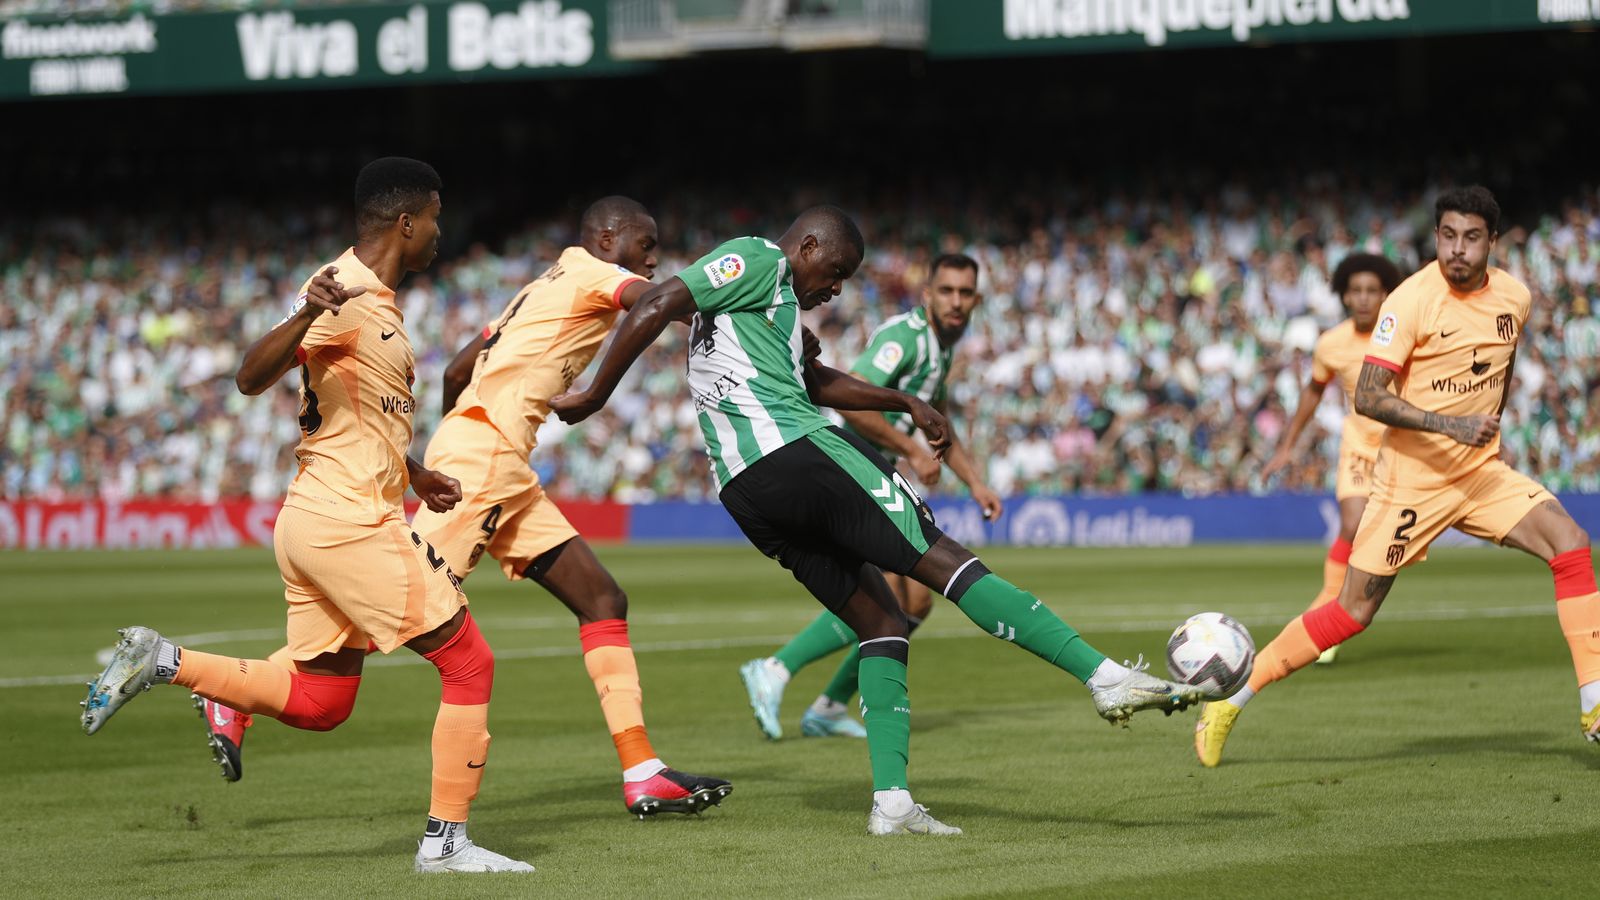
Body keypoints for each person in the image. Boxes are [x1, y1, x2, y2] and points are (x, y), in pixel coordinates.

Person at [551, 206, 1199, 836]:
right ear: (806, 247)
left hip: (747, 492)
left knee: (883, 620)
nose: (836, 288)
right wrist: (594, 395)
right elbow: (657, 301)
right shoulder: (759, 258)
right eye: (835, 271)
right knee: (944, 559)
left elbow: (814, 380)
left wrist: (904, 401)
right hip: (797, 452)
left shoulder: (767, 310)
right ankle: (1104, 677)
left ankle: (892, 803)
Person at [195, 197, 732, 817]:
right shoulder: (593, 273)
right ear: (609, 238)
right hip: (486, 460)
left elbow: (456, 371)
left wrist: (455, 441)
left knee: (603, 600)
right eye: (646, 244)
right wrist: (737, 305)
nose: (653, 258)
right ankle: (238, 694)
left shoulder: (542, 284)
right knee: (410, 606)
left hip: (499, 462)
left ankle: (642, 771)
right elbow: (660, 300)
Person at [80, 158, 533, 873]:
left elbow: (352, 413)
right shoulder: (342, 292)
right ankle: (446, 844)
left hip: (316, 519)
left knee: (323, 701)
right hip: (348, 521)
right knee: (469, 661)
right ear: (406, 223)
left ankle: (163, 660)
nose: (439, 233)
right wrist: (306, 313)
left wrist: (415, 472)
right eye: (435, 219)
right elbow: (249, 376)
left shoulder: (373, 299)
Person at [1195, 185, 1600, 767]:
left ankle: (1593, 701)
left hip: (1480, 474)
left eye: (1471, 238)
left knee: (1571, 542)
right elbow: (1368, 395)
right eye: (1448, 235)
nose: (1457, 249)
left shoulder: (1515, 297)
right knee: (1350, 613)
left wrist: (1490, 429)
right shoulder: (1410, 300)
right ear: (1435, 236)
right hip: (1411, 480)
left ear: (1492, 241)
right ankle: (1232, 699)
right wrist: (1451, 425)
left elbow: (1503, 365)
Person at [738, 252, 1005, 739]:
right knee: (887, 596)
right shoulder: (906, 338)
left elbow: (938, 419)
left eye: (965, 293)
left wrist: (975, 483)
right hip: (845, 471)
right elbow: (855, 399)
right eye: (947, 291)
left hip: (870, 472)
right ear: (927, 294)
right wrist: (911, 449)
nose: (956, 301)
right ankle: (776, 668)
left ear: (977, 299)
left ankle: (827, 706)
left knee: (915, 604)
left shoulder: (941, 348)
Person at [1261, 253, 1404, 665]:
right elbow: (1313, 390)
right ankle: (1327, 614)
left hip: (1402, 449)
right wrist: (1287, 445)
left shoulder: (1402, 335)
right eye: (1355, 290)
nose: (1364, 298)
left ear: (1386, 295)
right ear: (1344, 296)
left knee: (1389, 542)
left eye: (1372, 290)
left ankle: (1335, 615)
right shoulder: (1331, 343)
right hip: (1359, 447)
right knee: (1352, 525)